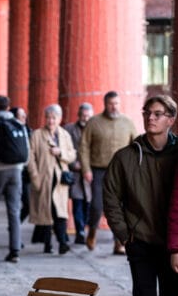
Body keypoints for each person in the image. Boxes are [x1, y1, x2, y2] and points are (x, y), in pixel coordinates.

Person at [104, 94, 178, 296]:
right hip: (141, 242)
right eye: (147, 113)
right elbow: (111, 197)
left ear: (170, 119)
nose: (150, 118)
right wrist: (125, 234)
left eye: (157, 113)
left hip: (174, 245)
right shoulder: (126, 157)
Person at [78, 90, 136, 253]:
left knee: (121, 207)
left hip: (121, 172)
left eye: (116, 103)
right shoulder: (94, 122)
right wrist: (86, 169)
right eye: (110, 104)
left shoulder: (128, 122)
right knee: (97, 205)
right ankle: (93, 231)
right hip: (98, 171)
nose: (113, 107)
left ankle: (119, 243)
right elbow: (84, 147)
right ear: (105, 104)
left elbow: (136, 147)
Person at [0, 95, 29, 262]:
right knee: (14, 211)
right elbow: (26, 151)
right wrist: (20, 166)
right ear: (9, 107)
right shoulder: (18, 123)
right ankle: (15, 250)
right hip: (16, 170)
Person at [26, 104, 76, 255]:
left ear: (59, 119)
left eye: (54, 118)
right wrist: (35, 177)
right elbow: (30, 158)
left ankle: (62, 243)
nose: (51, 121)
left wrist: (60, 152)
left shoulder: (64, 135)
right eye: (48, 117)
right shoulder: (37, 135)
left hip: (60, 181)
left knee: (60, 213)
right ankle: (48, 244)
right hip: (44, 179)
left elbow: (72, 154)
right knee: (47, 212)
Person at [64, 103, 94, 245]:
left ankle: (87, 229)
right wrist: (72, 163)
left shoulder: (95, 129)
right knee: (77, 204)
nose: (85, 118)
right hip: (76, 173)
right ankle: (80, 232)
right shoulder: (69, 129)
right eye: (83, 115)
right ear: (78, 115)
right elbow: (65, 149)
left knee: (90, 205)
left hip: (90, 173)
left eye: (88, 116)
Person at [12, 106, 33, 224]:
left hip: (27, 173)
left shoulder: (29, 131)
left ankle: (14, 227)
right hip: (14, 171)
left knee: (28, 205)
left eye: (24, 114)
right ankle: (14, 232)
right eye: (21, 115)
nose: (24, 117)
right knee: (15, 204)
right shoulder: (12, 132)